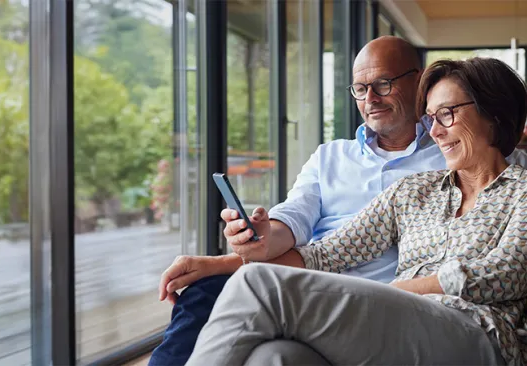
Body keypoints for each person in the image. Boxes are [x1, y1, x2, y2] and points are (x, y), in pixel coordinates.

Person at [149, 36, 527, 365]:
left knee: (258, 284)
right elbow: (324, 255)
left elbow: (505, 272)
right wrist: (229, 260)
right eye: (431, 118)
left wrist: (390, 294)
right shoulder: (414, 190)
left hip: (476, 330)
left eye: (446, 114)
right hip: (385, 316)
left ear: (494, 113)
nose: (436, 131)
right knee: (275, 357)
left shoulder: (521, 187)